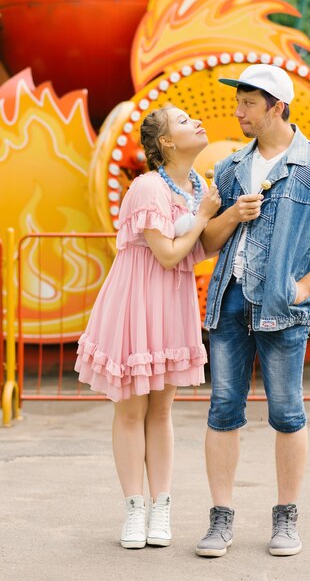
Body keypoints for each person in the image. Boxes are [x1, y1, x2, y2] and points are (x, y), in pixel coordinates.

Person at [196, 64, 310, 557]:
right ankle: (220, 518)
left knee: (288, 413)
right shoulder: (227, 168)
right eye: (239, 101)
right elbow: (207, 242)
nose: (238, 111)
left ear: (277, 107)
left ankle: (286, 518)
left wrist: (304, 286)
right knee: (223, 409)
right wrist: (231, 214)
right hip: (228, 302)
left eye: (248, 103)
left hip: (284, 310)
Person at [75, 105, 220, 550]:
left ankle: (162, 507)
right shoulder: (147, 187)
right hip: (137, 299)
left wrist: (217, 217)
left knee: (161, 411)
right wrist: (205, 217)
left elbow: (196, 251)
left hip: (171, 302)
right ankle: (134, 508)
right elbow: (169, 253)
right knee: (132, 410)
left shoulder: (198, 188)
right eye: (182, 121)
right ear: (166, 143)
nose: (195, 121)